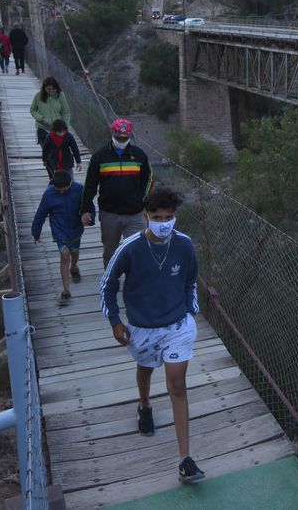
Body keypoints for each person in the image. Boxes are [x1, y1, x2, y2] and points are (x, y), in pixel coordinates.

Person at [99, 186, 205, 484]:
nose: (163, 222)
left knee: (178, 385)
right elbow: (107, 286)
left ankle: (185, 459)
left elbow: (190, 280)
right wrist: (116, 321)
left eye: (169, 217)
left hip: (176, 326)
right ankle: (144, 404)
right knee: (145, 368)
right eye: (157, 216)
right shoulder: (129, 248)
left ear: (175, 217)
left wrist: (189, 311)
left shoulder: (184, 245)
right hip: (142, 328)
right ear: (146, 217)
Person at [81, 118, 154, 266]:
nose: (121, 140)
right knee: (110, 252)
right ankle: (109, 283)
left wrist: (142, 199)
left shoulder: (139, 156)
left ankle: (133, 284)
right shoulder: (99, 157)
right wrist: (85, 210)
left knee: (137, 250)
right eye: (118, 137)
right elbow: (90, 185)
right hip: (110, 214)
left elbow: (148, 178)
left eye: (125, 138)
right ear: (112, 132)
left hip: (135, 214)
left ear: (130, 135)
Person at [33, 171, 92, 302]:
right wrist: (35, 233)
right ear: (54, 186)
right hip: (59, 231)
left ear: (70, 183)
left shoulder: (79, 189)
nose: (63, 191)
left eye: (66, 188)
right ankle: (66, 291)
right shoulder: (49, 195)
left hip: (75, 229)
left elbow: (88, 207)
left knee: (74, 252)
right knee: (65, 255)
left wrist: (89, 217)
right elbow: (40, 214)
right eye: (59, 190)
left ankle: (74, 267)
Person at [30, 77, 72, 147]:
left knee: (56, 151)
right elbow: (32, 110)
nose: (51, 91)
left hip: (57, 130)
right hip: (42, 128)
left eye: (54, 89)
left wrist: (66, 127)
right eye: (49, 89)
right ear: (44, 88)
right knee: (47, 153)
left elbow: (66, 113)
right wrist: (40, 118)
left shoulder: (61, 96)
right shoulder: (38, 96)